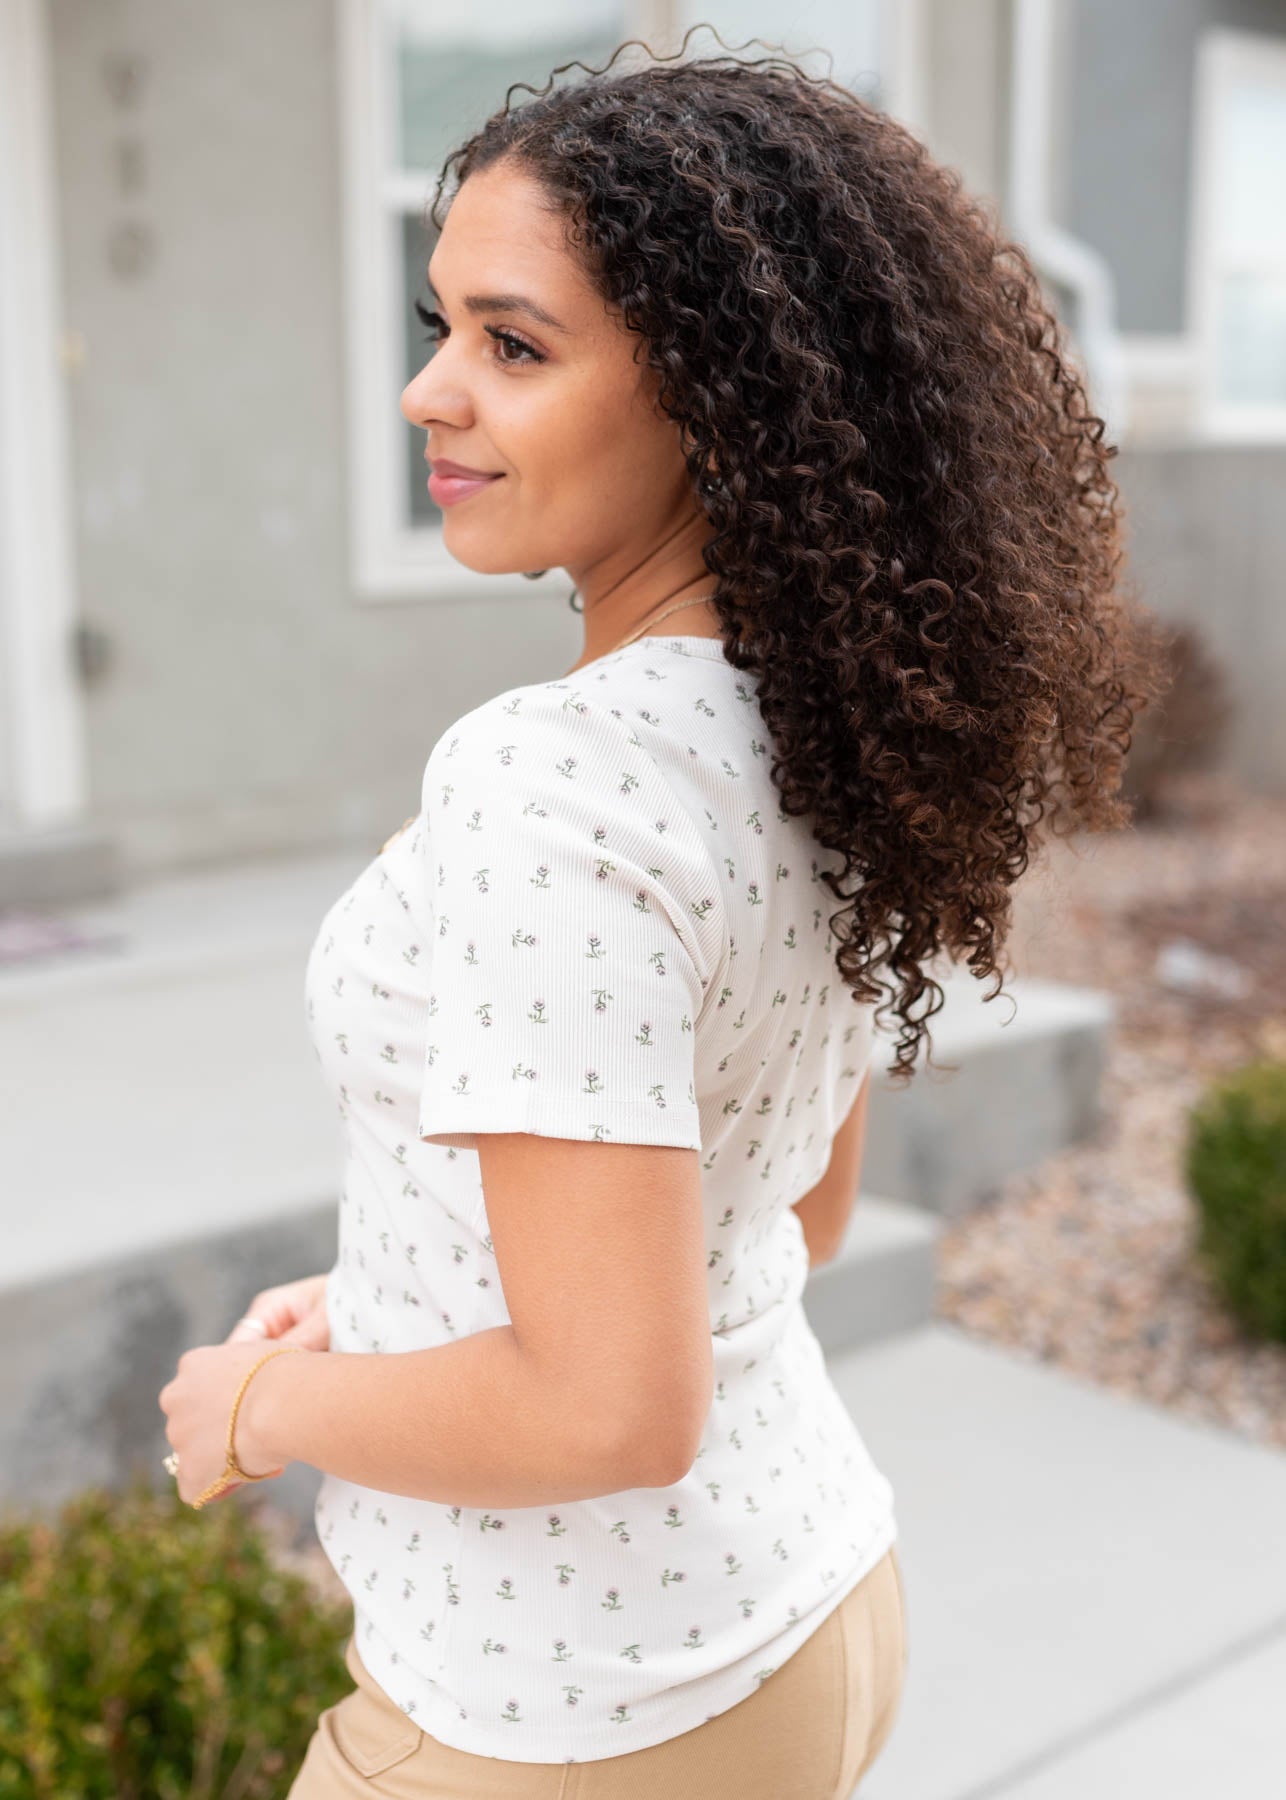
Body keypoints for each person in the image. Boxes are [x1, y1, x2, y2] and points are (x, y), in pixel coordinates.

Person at [158, 35, 1170, 1800]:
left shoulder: (554, 787)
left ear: (721, 398)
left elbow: (608, 1407)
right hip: (805, 1615)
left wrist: (250, 1411)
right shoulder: (831, 728)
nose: (428, 394)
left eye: (512, 343)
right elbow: (784, 1201)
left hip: (557, 1714)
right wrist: (386, 1306)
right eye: (439, 327)